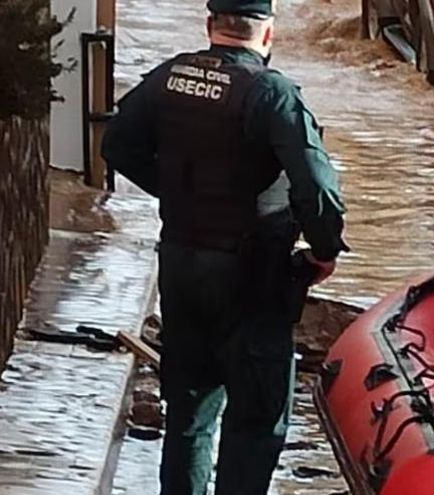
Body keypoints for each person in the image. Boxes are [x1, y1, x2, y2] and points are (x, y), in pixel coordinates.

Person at [101, 0, 348, 493]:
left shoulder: (169, 78)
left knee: (189, 414)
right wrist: (324, 249)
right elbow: (316, 185)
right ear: (269, 35)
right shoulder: (271, 94)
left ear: (212, 25)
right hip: (252, 276)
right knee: (256, 421)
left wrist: (175, 191)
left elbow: (117, 144)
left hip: (181, 265)